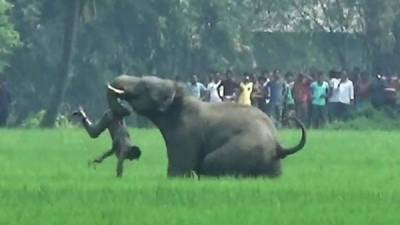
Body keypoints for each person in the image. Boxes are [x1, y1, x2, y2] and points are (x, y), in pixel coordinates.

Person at [72, 95, 141, 178]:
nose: (131, 160)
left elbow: (112, 150)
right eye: (132, 158)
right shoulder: (124, 149)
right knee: (93, 133)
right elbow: (120, 163)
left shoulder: (125, 143)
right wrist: (119, 178)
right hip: (110, 118)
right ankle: (83, 115)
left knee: (94, 134)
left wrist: (100, 158)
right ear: (131, 153)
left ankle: (83, 115)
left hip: (116, 117)